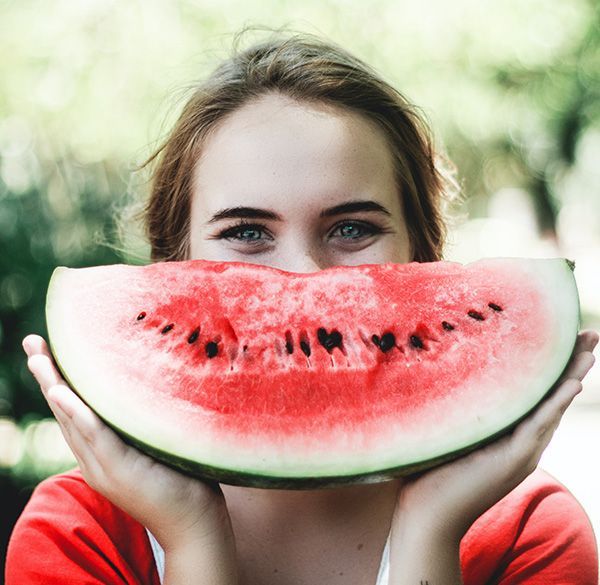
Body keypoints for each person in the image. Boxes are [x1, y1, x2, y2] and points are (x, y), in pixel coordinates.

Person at [6, 31, 599, 585]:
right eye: (245, 232)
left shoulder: (528, 533)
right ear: (172, 263)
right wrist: (190, 533)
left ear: (425, 255)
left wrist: (430, 528)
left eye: (350, 227)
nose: (302, 279)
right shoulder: (79, 535)